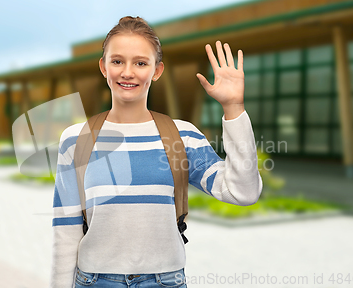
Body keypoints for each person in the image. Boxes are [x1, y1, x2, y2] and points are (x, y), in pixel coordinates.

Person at [50, 16, 263, 288]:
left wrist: (234, 107)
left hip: (165, 282)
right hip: (94, 281)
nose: (128, 72)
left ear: (157, 70)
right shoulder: (76, 139)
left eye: (141, 62)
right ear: (104, 67)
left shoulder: (182, 136)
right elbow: (65, 231)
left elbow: (243, 192)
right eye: (117, 61)